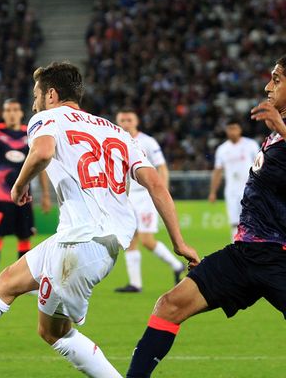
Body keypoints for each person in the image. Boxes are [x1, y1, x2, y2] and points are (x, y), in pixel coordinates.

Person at [0, 62, 199, 376]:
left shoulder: (46, 118)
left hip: (78, 247)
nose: (34, 102)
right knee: (9, 281)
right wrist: (179, 242)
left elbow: (43, 152)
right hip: (89, 242)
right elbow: (156, 183)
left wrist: (19, 185)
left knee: (54, 333)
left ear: (51, 94)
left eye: (37, 95)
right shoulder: (115, 130)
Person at [126, 56, 286, 377]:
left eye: (277, 79)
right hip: (245, 255)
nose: (268, 86)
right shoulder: (273, 135)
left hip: (281, 258)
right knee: (169, 306)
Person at [0, 98, 50, 285]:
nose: (12, 113)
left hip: (24, 196)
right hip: (0, 196)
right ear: (3, 113)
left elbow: (41, 164)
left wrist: (45, 195)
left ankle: (23, 282)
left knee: (25, 236)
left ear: (20, 112)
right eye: (8, 110)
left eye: (15, 109)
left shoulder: (31, 132)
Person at [114, 108, 185, 293]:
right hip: (127, 197)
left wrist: (163, 192)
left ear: (136, 122)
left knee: (147, 240)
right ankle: (135, 283)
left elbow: (162, 167)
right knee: (130, 240)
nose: (125, 123)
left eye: (129, 119)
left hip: (145, 196)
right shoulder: (115, 140)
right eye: (122, 120)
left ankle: (176, 265)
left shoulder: (147, 142)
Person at [208, 120, 260, 240]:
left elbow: (260, 165)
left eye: (234, 128)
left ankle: (254, 247)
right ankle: (236, 247)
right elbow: (217, 171)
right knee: (234, 222)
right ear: (226, 130)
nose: (232, 131)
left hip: (250, 189)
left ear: (240, 129)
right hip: (231, 191)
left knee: (251, 221)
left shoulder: (250, 145)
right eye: (229, 128)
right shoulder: (222, 149)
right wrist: (213, 192)